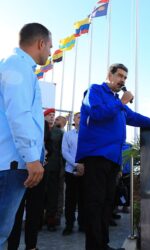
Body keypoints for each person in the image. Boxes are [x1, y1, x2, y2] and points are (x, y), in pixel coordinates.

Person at [76, 63, 150, 250]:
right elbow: (96, 113)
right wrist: (121, 102)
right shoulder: (95, 90)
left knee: (106, 204)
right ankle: (94, 246)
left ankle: (102, 244)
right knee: (95, 204)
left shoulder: (116, 101)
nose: (122, 80)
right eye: (119, 75)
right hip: (96, 156)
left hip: (113, 159)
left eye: (125, 78)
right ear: (109, 75)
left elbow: (134, 117)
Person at [0, 22, 52, 248]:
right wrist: (32, 158)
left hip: (11, 163)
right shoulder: (17, 66)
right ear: (40, 43)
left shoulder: (14, 65)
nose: (50, 52)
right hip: (11, 164)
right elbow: (19, 114)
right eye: (50, 46)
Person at [7, 119, 53, 250]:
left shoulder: (41, 122)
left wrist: (47, 156)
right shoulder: (19, 118)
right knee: (15, 212)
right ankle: (12, 246)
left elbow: (49, 144)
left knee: (34, 212)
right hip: (19, 172)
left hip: (39, 173)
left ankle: (31, 246)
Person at [61, 112, 85, 235]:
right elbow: (65, 152)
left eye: (83, 116)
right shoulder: (68, 135)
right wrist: (76, 165)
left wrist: (84, 166)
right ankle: (69, 225)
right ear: (74, 119)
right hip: (71, 171)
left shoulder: (89, 134)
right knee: (70, 200)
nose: (81, 119)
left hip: (86, 172)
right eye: (78, 117)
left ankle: (82, 224)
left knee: (84, 199)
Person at [43, 108, 65, 231]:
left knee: (53, 194)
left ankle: (51, 219)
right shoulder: (40, 129)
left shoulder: (59, 132)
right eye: (49, 115)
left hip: (54, 167)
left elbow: (63, 150)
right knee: (40, 194)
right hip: (41, 166)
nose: (52, 117)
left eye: (53, 115)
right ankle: (39, 219)